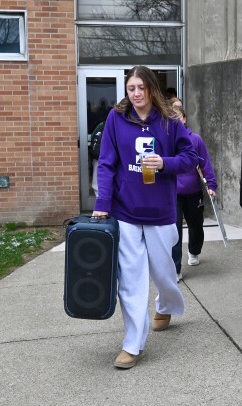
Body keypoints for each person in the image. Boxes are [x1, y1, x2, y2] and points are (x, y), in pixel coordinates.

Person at [91, 66, 198, 370]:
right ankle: (133, 343)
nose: (136, 94)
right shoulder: (116, 118)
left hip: (161, 212)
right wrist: (103, 202)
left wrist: (165, 162)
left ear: (151, 89)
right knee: (131, 280)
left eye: (141, 88)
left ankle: (165, 305)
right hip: (125, 211)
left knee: (165, 273)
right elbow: (107, 163)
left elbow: (191, 158)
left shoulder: (169, 121)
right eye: (131, 88)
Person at [171, 106, 218, 279]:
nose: (174, 121)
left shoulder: (195, 140)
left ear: (184, 119)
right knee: (174, 230)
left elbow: (205, 164)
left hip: (193, 192)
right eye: (170, 118)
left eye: (177, 117)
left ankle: (194, 250)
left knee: (196, 226)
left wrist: (211, 185)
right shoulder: (167, 141)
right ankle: (175, 269)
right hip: (173, 194)